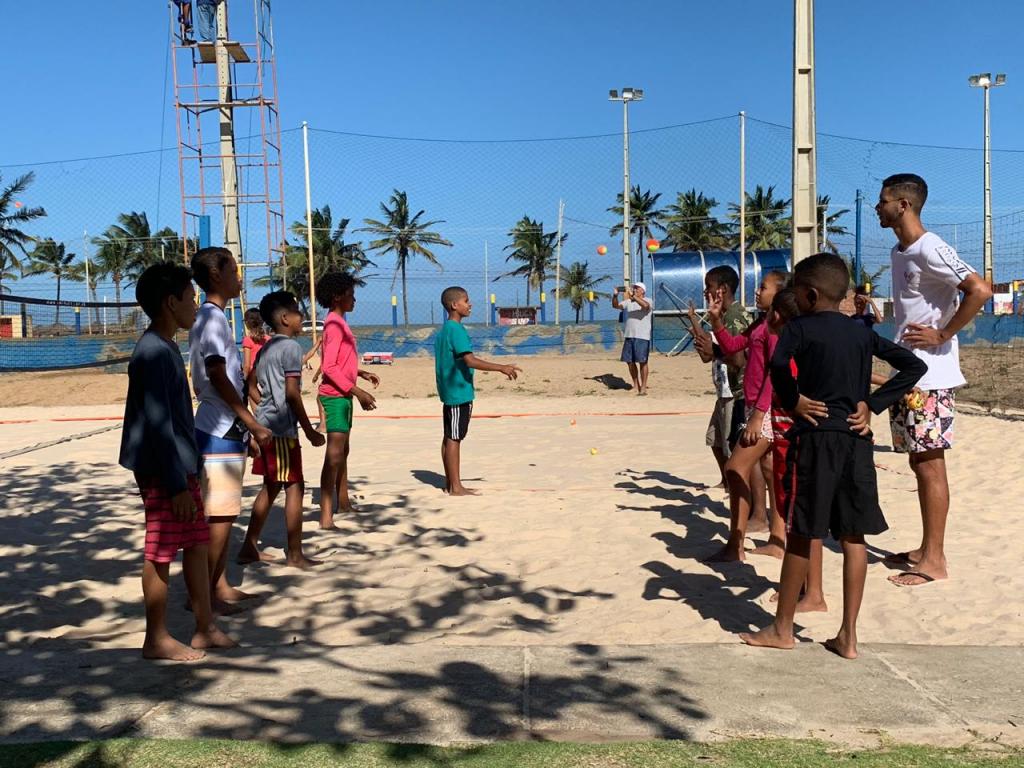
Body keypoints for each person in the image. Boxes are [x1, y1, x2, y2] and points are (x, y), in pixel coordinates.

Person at [741, 253, 926, 659]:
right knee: (853, 536)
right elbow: (912, 366)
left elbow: (777, 364)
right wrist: (873, 405)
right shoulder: (860, 333)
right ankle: (848, 636)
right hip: (856, 440)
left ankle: (782, 628)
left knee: (802, 533)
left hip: (815, 441)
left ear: (808, 295)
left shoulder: (800, 328)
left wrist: (794, 400)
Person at [876, 173, 993, 587]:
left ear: (903, 205)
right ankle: (926, 549)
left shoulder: (931, 246)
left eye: (883, 200)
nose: (878, 207)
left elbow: (979, 290)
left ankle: (935, 560)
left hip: (931, 376)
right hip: (908, 374)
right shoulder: (899, 251)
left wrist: (943, 334)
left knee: (930, 465)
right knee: (918, 461)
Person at [119, 262, 235, 660]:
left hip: (181, 466)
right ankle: (156, 637)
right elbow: (158, 426)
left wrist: (190, 469)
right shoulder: (153, 352)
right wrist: (175, 485)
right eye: (190, 298)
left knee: (197, 544)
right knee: (161, 551)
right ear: (171, 302)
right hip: (163, 471)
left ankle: (205, 627)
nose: (195, 305)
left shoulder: (166, 346)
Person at [189, 247, 272, 611]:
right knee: (219, 516)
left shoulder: (217, 318)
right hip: (217, 428)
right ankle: (203, 596)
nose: (239, 277)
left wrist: (245, 430)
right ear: (215, 276)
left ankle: (218, 585)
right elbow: (218, 376)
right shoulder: (212, 319)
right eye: (234, 270)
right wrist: (250, 421)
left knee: (225, 512)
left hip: (226, 427)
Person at [237, 291, 326, 568]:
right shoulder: (290, 348)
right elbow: (291, 393)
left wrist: (261, 409)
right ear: (286, 318)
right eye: (299, 312)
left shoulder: (266, 347)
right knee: (295, 486)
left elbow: (250, 384)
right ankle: (295, 554)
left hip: (266, 425)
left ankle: (249, 547)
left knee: (272, 486)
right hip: (281, 429)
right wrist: (309, 430)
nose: (303, 317)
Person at [704, 270, 788, 562]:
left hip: (764, 410)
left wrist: (758, 415)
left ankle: (735, 544)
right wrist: (716, 320)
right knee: (769, 470)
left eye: (763, 287)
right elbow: (732, 346)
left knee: (735, 468)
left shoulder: (777, 329)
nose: (757, 291)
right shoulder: (760, 324)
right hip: (756, 407)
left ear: (779, 295)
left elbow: (775, 374)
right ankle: (777, 539)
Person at [436, 286, 522, 495]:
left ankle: (450, 483)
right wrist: (501, 367)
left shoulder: (444, 330)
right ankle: (456, 487)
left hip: (450, 391)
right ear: (454, 305)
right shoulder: (456, 330)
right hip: (458, 392)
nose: (470, 304)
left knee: (449, 436)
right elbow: (470, 360)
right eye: (466, 301)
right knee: (454, 438)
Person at [316, 272, 380, 529]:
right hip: (334, 397)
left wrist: (361, 373)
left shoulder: (339, 322)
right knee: (333, 454)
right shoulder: (333, 325)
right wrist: (358, 391)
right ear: (337, 297)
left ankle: (343, 502)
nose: (354, 299)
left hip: (343, 395)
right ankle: (325, 516)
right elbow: (329, 367)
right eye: (351, 294)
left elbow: (341, 362)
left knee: (343, 452)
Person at [690, 266, 756, 497]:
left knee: (737, 450)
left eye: (709, 286)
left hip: (740, 392)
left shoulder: (735, 316)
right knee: (716, 439)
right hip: (730, 389)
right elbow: (710, 354)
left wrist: (715, 351)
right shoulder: (724, 316)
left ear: (723, 289)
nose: (705, 291)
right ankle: (731, 485)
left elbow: (737, 360)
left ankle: (744, 498)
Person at [611, 282, 653, 395]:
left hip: (642, 336)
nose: (634, 289)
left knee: (643, 362)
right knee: (629, 361)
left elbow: (645, 306)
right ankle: (636, 385)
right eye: (633, 288)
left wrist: (633, 296)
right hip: (629, 335)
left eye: (636, 288)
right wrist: (615, 295)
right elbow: (616, 306)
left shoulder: (648, 300)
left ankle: (643, 387)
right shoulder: (629, 302)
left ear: (642, 291)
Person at [241, 307, 267, 378]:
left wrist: (244, 379)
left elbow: (247, 366)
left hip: (253, 378)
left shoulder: (247, 340)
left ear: (247, 323)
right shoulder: (268, 339)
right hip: (266, 376)